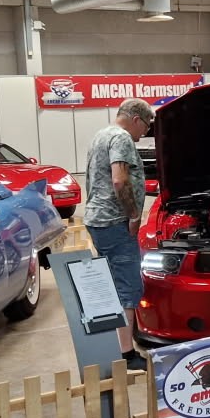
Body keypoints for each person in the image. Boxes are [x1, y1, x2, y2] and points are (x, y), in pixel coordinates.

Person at [83, 98, 153, 370]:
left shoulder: (101, 134)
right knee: (127, 287)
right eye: (146, 126)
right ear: (136, 119)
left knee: (112, 284)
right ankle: (127, 354)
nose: (145, 132)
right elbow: (119, 180)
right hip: (114, 222)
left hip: (97, 219)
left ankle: (116, 346)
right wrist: (134, 215)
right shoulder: (122, 138)